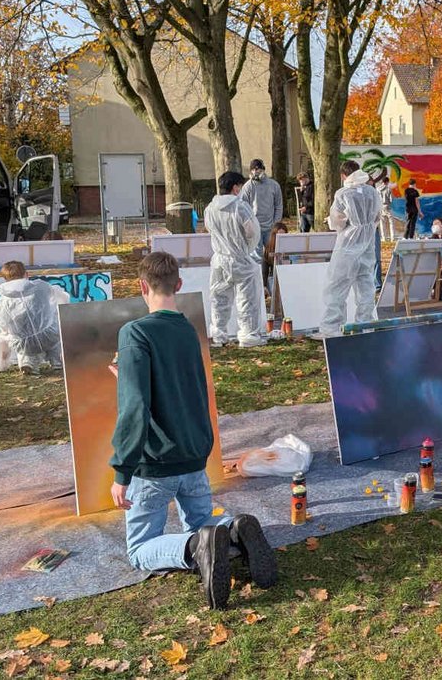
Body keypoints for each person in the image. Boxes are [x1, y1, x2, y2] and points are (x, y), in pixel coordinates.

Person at [109, 252, 277, 609]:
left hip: (156, 464)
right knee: (203, 519)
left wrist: (122, 471)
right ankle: (233, 529)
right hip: (195, 456)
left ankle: (193, 548)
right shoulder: (187, 330)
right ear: (179, 286)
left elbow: (135, 407)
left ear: (141, 287)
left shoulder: (134, 332)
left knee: (139, 550)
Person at [320, 160, 382, 336]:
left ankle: (332, 327)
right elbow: (377, 216)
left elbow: (338, 220)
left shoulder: (343, 193)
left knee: (336, 287)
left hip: (347, 246)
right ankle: (365, 324)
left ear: (343, 175)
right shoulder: (372, 192)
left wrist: (332, 222)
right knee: (366, 288)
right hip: (367, 245)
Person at [204, 171, 265, 348]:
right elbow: (252, 231)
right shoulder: (240, 206)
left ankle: (218, 334)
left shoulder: (210, 208)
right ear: (236, 187)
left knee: (219, 297)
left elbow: (209, 229)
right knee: (247, 298)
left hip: (219, 259)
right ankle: (248, 335)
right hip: (240, 258)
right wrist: (246, 248)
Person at [0, 261, 69, 374]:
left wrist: (1, 359)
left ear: (5, 279)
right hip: (49, 336)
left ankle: (27, 363)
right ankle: (57, 361)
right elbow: (61, 298)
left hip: (22, 343)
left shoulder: (3, 301)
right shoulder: (41, 287)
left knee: (18, 339)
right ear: (26, 274)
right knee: (55, 334)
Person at [239, 159, 284, 249]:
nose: (256, 172)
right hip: (254, 229)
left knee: (272, 254)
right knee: (256, 258)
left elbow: (278, 206)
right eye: (254, 170)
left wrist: (275, 224)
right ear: (251, 171)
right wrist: (249, 226)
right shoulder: (247, 187)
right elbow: (243, 208)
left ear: (263, 170)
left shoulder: (274, 185)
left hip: (270, 228)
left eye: (259, 169)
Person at [261, 221, 290, 300]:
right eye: (279, 236)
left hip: (288, 276)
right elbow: (265, 270)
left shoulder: (290, 247)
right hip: (274, 276)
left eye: (283, 236)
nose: (281, 238)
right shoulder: (268, 249)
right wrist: (264, 286)